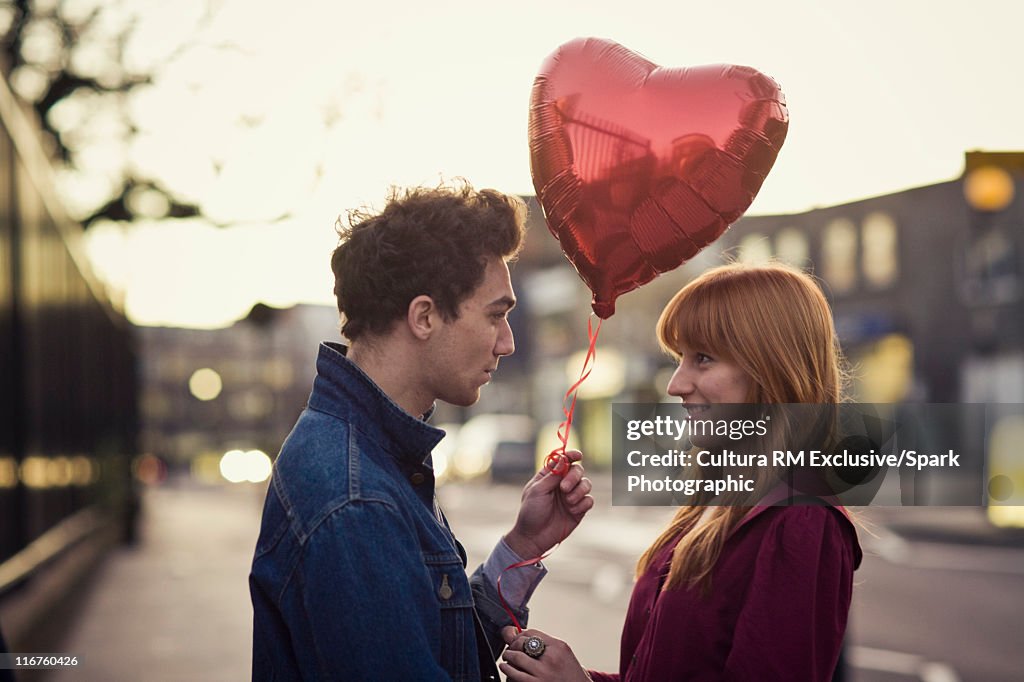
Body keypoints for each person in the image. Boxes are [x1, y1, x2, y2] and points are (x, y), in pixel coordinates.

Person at [249, 181, 594, 681]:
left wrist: (522, 546)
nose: (507, 343)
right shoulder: (357, 499)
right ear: (425, 316)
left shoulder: (370, 456)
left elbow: (437, 639)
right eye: (496, 315)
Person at [500, 262, 862, 682]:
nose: (675, 384)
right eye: (680, 358)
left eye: (703, 359)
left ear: (770, 367)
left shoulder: (800, 520)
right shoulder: (715, 505)